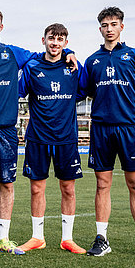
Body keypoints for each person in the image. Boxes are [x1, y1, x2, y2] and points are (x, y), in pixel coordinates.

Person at [0, 7, 77, 256]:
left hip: (6, 132)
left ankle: (4, 239)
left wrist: (69, 52)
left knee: (7, 184)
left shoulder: (15, 53)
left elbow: (45, 55)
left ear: (1, 26)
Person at [80, 6, 135, 259]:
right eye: (104, 25)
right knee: (102, 184)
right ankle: (101, 238)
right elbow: (83, 90)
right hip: (102, 128)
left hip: (128, 128)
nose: (109, 29)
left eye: (113, 24)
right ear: (100, 29)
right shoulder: (92, 61)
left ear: (121, 27)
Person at [17, 23, 86, 254]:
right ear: (43, 40)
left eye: (60, 40)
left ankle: (67, 238)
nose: (55, 43)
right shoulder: (32, 67)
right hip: (38, 137)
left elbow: (87, 89)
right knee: (37, 189)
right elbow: (16, 92)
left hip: (66, 138)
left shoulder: (74, 67)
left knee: (68, 189)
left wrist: (71, 55)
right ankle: (38, 237)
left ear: (66, 43)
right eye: (51, 39)